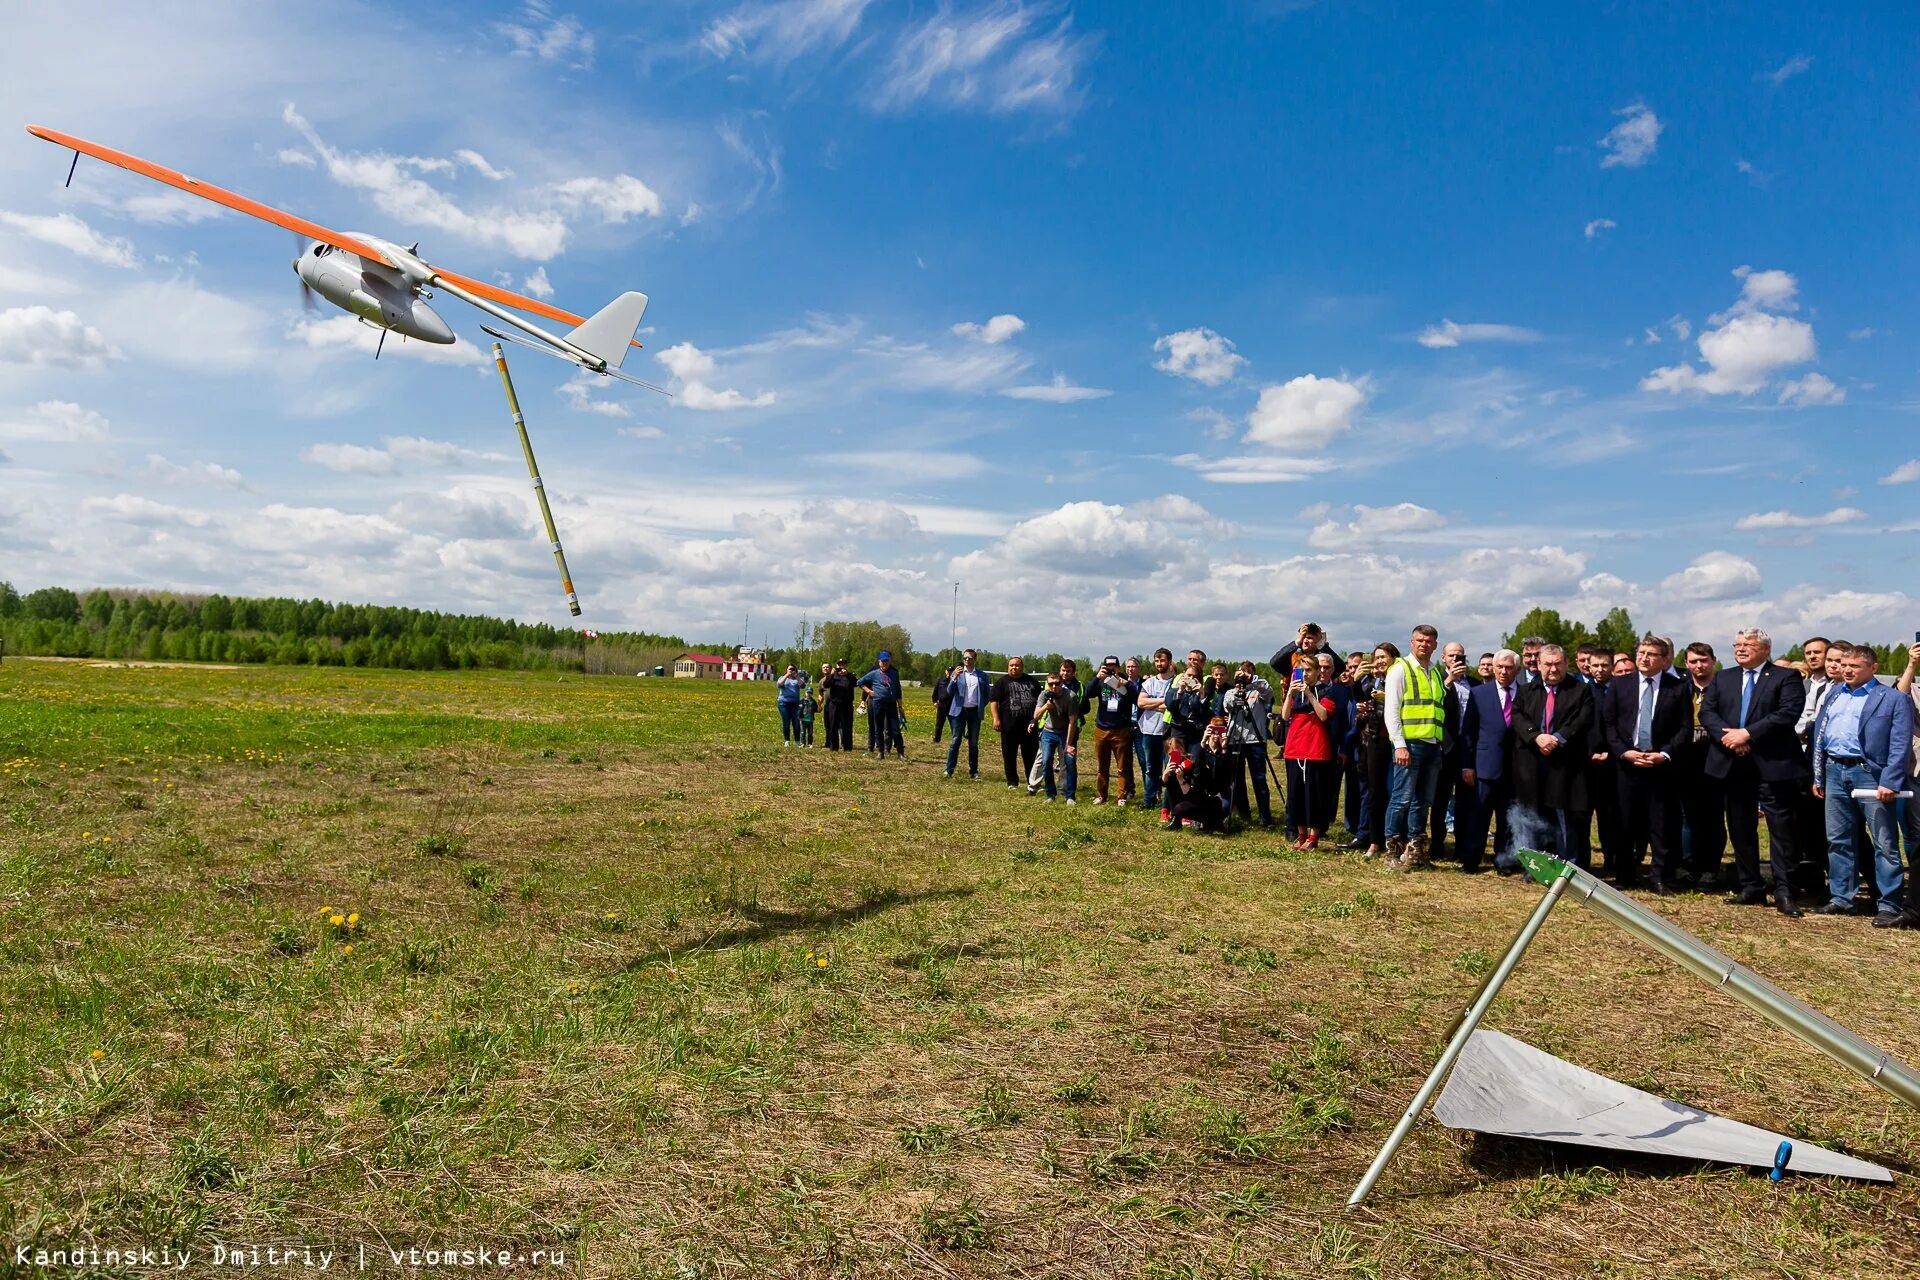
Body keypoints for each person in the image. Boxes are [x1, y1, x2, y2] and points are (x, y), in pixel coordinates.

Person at [1700, 628, 1807, 916]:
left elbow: (1786, 714)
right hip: (1732, 764)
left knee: (1780, 830)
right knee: (1740, 825)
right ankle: (1751, 886)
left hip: (1772, 765)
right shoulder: (1723, 677)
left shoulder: (1786, 677)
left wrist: (1747, 734)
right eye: (1737, 644)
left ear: (1765, 649)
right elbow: (1707, 713)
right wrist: (1730, 739)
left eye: (1748, 644)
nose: (1741, 648)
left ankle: (1785, 889)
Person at [1811, 643, 1914, 924]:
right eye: (1845, 665)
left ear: (1873, 668)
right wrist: (1818, 774)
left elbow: (1900, 744)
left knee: (1884, 842)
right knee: (1838, 839)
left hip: (1871, 775)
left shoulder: (1892, 699)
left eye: (1854, 666)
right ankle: (1842, 898)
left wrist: (1890, 780)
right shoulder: (1834, 694)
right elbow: (1821, 736)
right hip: (1835, 770)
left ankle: (1889, 903)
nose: (1846, 670)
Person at [1602, 635, 1691, 893]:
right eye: (1641, 652)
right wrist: (1623, 752)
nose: (1644, 658)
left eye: (1651, 654)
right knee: (1625, 822)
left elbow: (1684, 728)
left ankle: (1659, 876)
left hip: (1659, 766)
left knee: (1660, 824)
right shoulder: (1620, 685)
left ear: (1664, 660)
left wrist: (1664, 754)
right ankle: (1625, 875)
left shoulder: (1678, 687)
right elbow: (1609, 723)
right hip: (1627, 765)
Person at [1511, 644, 1594, 868]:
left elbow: (1582, 719)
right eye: (1548, 664)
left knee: (1566, 817)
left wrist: (1557, 738)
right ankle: (1536, 866)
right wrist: (1536, 737)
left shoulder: (1580, 690)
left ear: (1566, 664)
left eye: (1558, 664)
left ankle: (1570, 866)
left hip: (1566, 764)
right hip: (1532, 763)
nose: (1553, 669)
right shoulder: (1525, 690)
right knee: (1533, 815)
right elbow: (1517, 717)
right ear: (1538, 665)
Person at [1383, 624, 1447, 871]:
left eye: (1429, 641)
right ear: (1412, 642)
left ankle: (1415, 851)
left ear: (1435, 645)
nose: (1424, 644)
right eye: (1420, 640)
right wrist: (1399, 745)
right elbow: (1392, 711)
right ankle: (1393, 851)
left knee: (1423, 800)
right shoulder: (1400, 669)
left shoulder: (1436, 671)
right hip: (1409, 745)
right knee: (1401, 799)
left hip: (1432, 745)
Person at [1459, 648, 1521, 874]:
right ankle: (1471, 859)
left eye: (1508, 667)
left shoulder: (1524, 694)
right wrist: (1467, 765)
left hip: (1514, 768)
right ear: (1493, 668)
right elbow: (1469, 732)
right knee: (1478, 816)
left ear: (1517, 669)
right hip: (1484, 766)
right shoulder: (1479, 693)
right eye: (1500, 667)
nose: (1504, 671)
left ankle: (1503, 861)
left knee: (1507, 819)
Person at [1676, 642, 1724, 888]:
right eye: (1693, 661)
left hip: (1716, 756)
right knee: (1687, 816)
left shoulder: (1724, 686)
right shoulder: (1680, 688)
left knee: (1714, 816)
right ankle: (1688, 867)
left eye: (1703, 660)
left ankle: (1710, 868)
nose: (1699, 665)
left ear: (1713, 660)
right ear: (1686, 663)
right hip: (1686, 758)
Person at [1428, 640, 1479, 862]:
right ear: (1443, 658)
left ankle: (1462, 847)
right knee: (1440, 801)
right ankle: (1437, 845)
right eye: (1452, 656)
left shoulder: (1476, 686)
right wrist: (1449, 681)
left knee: (1465, 802)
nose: (1456, 660)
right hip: (1443, 749)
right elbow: (1434, 703)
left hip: (1467, 750)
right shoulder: (1437, 681)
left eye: (1460, 656)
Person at [1278, 655, 1335, 845]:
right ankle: (1300, 831)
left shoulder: (1326, 690)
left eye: (1309, 670)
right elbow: (1285, 716)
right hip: (1294, 747)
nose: (1305, 675)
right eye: (1301, 671)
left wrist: (1310, 694)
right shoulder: (1294, 692)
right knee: (1296, 793)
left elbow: (1323, 715)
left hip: (1315, 747)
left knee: (1314, 793)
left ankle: (1313, 834)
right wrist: (1290, 694)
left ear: (1318, 672)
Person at [1352, 643, 1400, 858]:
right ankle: (1375, 841)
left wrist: (1387, 698)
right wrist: (1355, 681)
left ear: (1394, 658)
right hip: (1375, 740)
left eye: (1384, 656)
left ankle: (1397, 839)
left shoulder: (1399, 678)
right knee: (1374, 792)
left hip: (1397, 740)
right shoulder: (1372, 681)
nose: (1380, 661)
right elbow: (1360, 701)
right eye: (1377, 657)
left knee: (1395, 792)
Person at [1223, 659, 1276, 828]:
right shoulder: (1231, 692)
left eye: (1246, 672)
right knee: (1237, 779)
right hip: (1236, 739)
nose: (1242, 677)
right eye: (1240, 672)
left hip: (1255, 740)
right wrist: (1238, 691)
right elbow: (1228, 706)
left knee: (1259, 779)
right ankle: (1244, 813)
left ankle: (1265, 816)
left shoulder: (1258, 689)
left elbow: (1268, 692)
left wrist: (1251, 681)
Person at [1083, 655, 1140, 805]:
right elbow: (1088, 694)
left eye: (1113, 666)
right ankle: (1101, 795)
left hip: (1121, 729)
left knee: (1123, 766)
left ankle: (1121, 796)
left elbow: (1136, 697)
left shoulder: (1123, 680)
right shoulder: (1101, 680)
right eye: (1107, 666)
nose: (1111, 668)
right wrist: (1097, 677)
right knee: (1102, 766)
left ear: (1118, 667)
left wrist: (1126, 684)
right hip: (1102, 728)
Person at [1163, 716, 1235, 834]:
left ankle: (1213, 822)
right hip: (1202, 790)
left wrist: (1224, 748)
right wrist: (1203, 741)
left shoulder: (1227, 750)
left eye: (1220, 731)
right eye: (1213, 731)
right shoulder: (1200, 748)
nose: (1216, 735)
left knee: (1224, 806)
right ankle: (1179, 818)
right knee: (1183, 800)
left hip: (1220, 791)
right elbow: (1194, 760)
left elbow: (1229, 770)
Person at [990, 656, 1041, 789]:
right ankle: (1012, 782)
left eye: (1017, 665)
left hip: (1029, 726)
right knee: (1009, 754)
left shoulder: (1032, 681)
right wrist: (996, 719)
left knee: (1031, 755)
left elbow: (1040, 701)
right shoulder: (1002, 682)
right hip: (1009, 726)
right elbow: (994, 701)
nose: (1014, 667)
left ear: (1022, 667)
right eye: (1011, 665)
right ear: (1008, 667)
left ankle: (1032, 781)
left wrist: (1038, 720)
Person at [1031, 670, 1080, 803]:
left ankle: (1070, 796)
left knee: (1069, 762)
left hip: (1066, 732)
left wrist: (1069, 744)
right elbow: (1035, 716)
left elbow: (1072, 722)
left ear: (1061, 683)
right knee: (1046, 762)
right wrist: (1046, 707)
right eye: (1051, 684)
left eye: (1057, 684)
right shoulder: (1044, 695)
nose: (1054, 687)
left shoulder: (1071, 696)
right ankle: (1050, 795)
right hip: (1049, 732)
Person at [1136, 649, 1175, 814]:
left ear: (1169, 661)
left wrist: (1152, 702)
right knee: (1151, 768)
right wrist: (1163, 701)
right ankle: (1149, 800)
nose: (1160, 664)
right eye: (1157, 661)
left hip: (1168, 732)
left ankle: (1170, 803)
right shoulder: (1149, 682)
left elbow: (1172, 705)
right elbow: (1140, 703)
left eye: (1163, 661)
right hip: (1149, 730)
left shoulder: (1175, 683)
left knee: (1170, 767)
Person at [943, 649, 990, 779]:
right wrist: (954, 678)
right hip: (959, 712)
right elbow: (949, 691)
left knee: (973, 743)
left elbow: (986, 695)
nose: (966, 660)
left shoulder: (982, 676)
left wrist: (980, 706)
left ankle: (973, 771)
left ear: (975, 659)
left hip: (974, 713)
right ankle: (949, 770)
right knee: (955, 741)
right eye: (965, 658)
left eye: (969, 658)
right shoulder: (957, 673)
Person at [857, 651, 906, 760]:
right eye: (882, 661)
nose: (884, 664)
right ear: (879, 662)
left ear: (889, 661)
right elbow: (860, 682)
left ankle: (900, 753)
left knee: (895, 729)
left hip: (891, 704)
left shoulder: (894, 673)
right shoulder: (874, 673)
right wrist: (868, 691)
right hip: (877, 704)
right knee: (878, 728)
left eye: (886, 661)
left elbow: (898, 690)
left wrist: (900, 706)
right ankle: (880, 752)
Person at [1166, 650, 1213, 755]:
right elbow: (1170, 707)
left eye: (1194, 677)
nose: (1190, 679)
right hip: (1178, 730)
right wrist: (1180, 691)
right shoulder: (1173, 691)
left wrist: (1201, 695)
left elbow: (1204, 713)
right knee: (1177, 760)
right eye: (1188, 676)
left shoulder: (1201, 693)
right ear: (1183, 676)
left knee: (1195, 760)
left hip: (1196, 732)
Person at [1269, 622, 1336, 676]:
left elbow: (1340, 668)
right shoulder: (1294, 659)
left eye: (1310, 638)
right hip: (1296, 691)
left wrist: (1322, 645)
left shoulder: (1323, 661)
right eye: (1303, 637)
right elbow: (1274, 663)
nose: (1305, 641)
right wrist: (1297, 642)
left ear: (1318, 640)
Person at [822, 660, 855, 751]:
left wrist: (848, 674)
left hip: (847, 705)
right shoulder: (833, 676)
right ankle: (833, 747)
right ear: (836, 666)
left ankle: (847, 747)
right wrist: (831, 675)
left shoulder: (850, 676)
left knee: (847, 726)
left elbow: (856, 683)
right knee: (833, 726)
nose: (841, 667)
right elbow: (825, 685)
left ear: (846, 666)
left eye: (843, 664)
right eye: (839, 665)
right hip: (834, 704)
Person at [775, 663, 806, 747]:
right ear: (786, 670)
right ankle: (787, 740)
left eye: (793, 669)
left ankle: (797, 741)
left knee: (796, 722)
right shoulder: (782, 678)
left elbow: (803, 686)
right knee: (786, 722)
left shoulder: (798, 679)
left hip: (795, 703)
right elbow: (779, 684)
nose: (791, 670)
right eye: (790, 669)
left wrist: (797, 677)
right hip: (783, 703)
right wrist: (787, 675)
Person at [931, 665, 955, 744]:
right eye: (948, 671)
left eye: (951, 671)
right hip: (942, 705)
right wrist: (934, 701)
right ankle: (937, 739)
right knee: (939, 724)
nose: (949, 673)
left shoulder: (955, 681)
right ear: (946, 671)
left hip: (952, 706)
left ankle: (954, 739)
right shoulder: (941, 680)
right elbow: (935, 692)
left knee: (953, 724)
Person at [799, 682, 818, 747]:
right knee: (802, 732)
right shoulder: (802, 700)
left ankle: (810, 743)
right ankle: (802, 743)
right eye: (807, 692)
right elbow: (799, 709)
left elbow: (816, 709)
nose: (809, 694)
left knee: (810, 733)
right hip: (803, 719)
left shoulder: (813, 701)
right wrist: (799, 716)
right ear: (805, 693)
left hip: (810, 719)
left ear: (812, 693)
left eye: (810, 693)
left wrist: (819, 710)